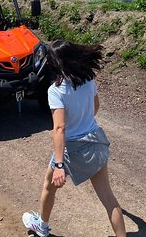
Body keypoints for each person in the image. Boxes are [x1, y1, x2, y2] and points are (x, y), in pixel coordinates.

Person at [22, 40, 126, 237]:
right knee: (109, 199)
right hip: (94, 140)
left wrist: (60, 165)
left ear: (56, 63)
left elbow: (59, 128)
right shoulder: (89, 79)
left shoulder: (56, 90)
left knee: (48, 186)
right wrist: (83, 120)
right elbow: (95, 108)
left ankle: (41, 227)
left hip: (71, 148)